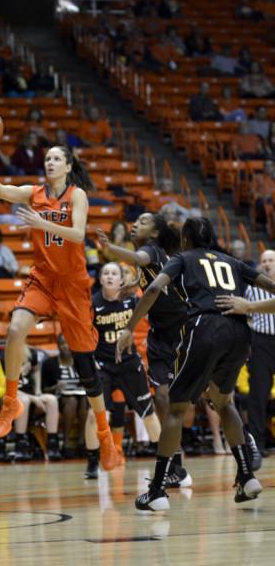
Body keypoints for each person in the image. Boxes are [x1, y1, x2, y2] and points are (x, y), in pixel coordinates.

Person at [0, 139, 119, 471]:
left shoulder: (76, 195)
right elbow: (0, 189)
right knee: (15, 329)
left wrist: (41, 224)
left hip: (74, 285)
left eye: (55, 159)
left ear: (67, 166)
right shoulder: (33, 192)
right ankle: (10, 404)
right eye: (46, 158)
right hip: (43, 279)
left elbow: (78, 234)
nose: (49, 163)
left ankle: (105, 436)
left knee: (86, 367)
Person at [116, 217, 275, 511]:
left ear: (186, 240)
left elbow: (152, 291)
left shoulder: (183, 259)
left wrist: (129, 328)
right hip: (240, 332)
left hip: (205, 328)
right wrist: (250, 307)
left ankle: (157, 490)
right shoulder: (233, 261)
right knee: (223, 402)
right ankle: (248, 476)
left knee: (176, 409)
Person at [97, 213, 191, 487]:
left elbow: (138, 260)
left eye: (144, 221)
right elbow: (143, 273)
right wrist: (133, 285)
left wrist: (111, 249)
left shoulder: (150, 250)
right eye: (136, 220)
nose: (135, 223)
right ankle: (175, 463)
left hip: (185, 332)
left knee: (208, 397)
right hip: (161, 337)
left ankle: (243, 443)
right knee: (161, 398)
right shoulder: (152, 254)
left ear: (155, 233)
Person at [84, 262, 161, 478]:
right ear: (100, 279)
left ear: (121, 280)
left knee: (148, 413)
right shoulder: (92, 304)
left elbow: (153, 316)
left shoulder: (132, 300)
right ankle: (92, 462)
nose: (109, 276)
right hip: (103, 366)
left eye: (114, 273)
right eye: (105, 273)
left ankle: (166, 462)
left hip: (129, 364)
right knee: (94, 416)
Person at [217, 250, 275, 466]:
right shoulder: (251, 289)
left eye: (271, 260)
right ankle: (257, 446)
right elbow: (241, 310)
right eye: (264, 261)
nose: (267, 264)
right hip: (261, 343)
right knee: (258, 396)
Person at [42, 334, 88, 458]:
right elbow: (42, 389)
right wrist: (54, 387)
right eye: (62, 344)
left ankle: (82, 441)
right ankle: (66, 443)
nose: (65, 347)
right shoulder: (50, 363)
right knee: (71, 401)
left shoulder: (80, 362)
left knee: (85, 399)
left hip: (81, 395)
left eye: (68, 344)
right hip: (59, 399)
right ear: (58, 346)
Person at [14, 346, 62, 461]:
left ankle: (52, 444)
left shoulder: (32, 354)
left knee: (51, 400)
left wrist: (38, 393)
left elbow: (37, 370)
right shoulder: (4, 356)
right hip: (14, 397)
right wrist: (19, 372)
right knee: (24, 401)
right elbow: (6, 388)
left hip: (31, 396)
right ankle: (21, 446)